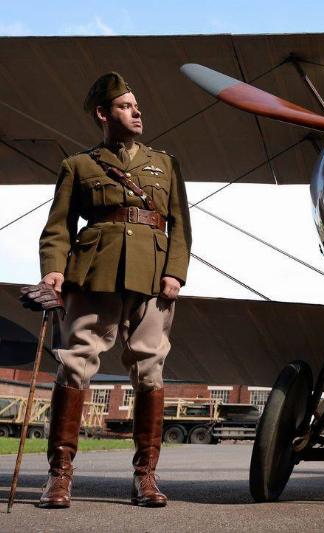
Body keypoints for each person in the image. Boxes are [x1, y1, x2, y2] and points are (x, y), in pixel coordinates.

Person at [37, 72, 191, 508]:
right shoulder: (78, 166)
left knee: (150, 368)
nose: (137, 111)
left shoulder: (165, 164)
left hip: (153, 275)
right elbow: (58, 230)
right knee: (75, 364)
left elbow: (180, 225)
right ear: (103, 114)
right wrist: (53, 271)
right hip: (93, 273)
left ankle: (146, 476)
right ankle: (59, 475)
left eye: (136, 104)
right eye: (126, 106)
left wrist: (175, 271)